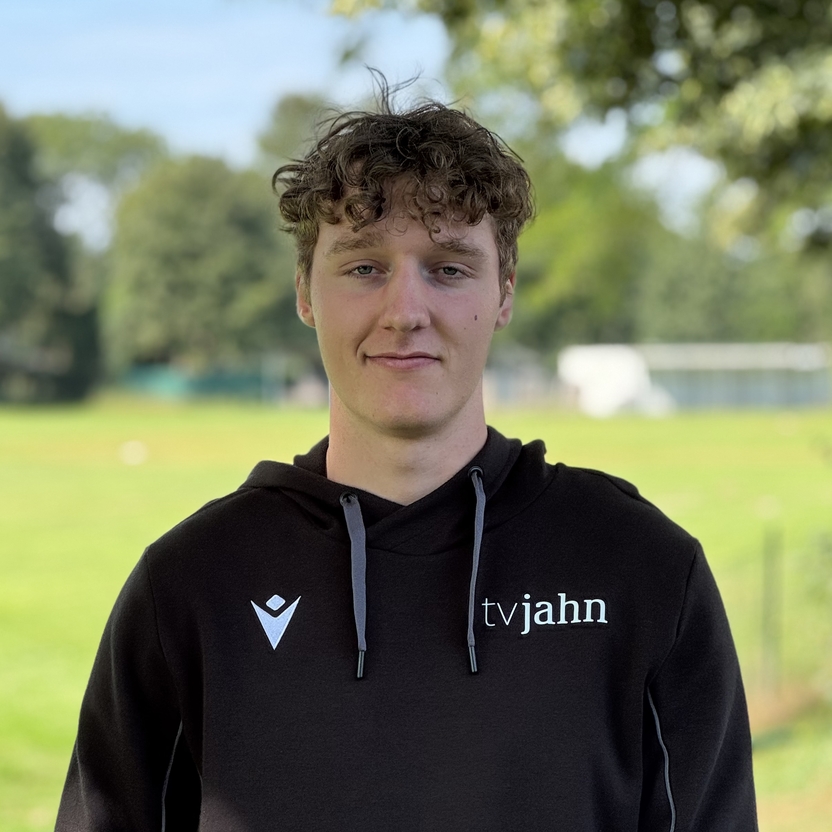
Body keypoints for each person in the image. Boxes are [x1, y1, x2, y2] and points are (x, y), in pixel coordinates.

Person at [56, 84, 758, 831]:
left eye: (448, 268)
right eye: (363, 268)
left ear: (504, 291)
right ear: (304, 292)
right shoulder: (191, 587)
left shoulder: (641, 567)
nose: (405, 311)